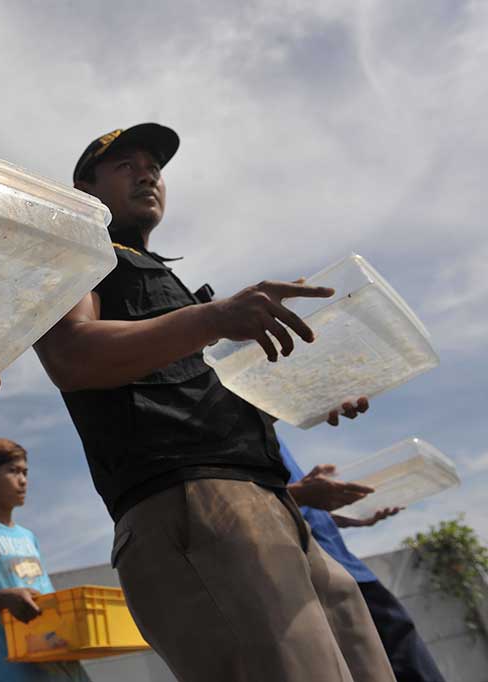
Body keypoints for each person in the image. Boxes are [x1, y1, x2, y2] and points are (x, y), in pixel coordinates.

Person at [33, 123, 397, 681]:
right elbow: (71, 356)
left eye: (153, 165)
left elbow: (190, 393)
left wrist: (309, 392)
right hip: (193, 501)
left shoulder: (157, 276)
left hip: (269, 502)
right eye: (125, 164)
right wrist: (214, 316)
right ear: (86, 188)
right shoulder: (78, 251)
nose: (147, 173)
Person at [283, 438, 447, 682]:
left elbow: (292, 507)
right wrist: (301, 494)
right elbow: (233, 506)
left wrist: (342, 514)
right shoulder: (221, 418)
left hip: (351, 572)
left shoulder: (266, 429)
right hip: (315, 579)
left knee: (413, 665)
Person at [0, 439, 89, 682]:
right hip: (10, 673)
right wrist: (5, 599)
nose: (23, 480)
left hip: (59, 669)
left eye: (25, 472)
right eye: (13, 471)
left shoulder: (28, 537)